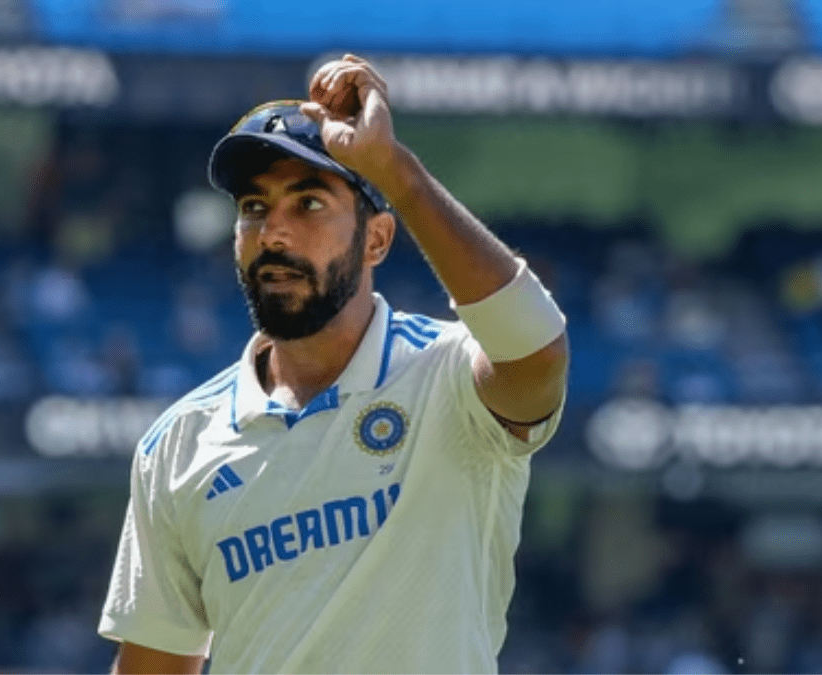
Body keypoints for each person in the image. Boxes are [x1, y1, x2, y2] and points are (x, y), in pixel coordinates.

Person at [99, 54, 569, 674]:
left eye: (309, 204)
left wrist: (394, 171)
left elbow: (537, 349)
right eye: (254, 207)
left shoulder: (450, 376)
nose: (274, 234)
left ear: (377, 239)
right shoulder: (178, 444)